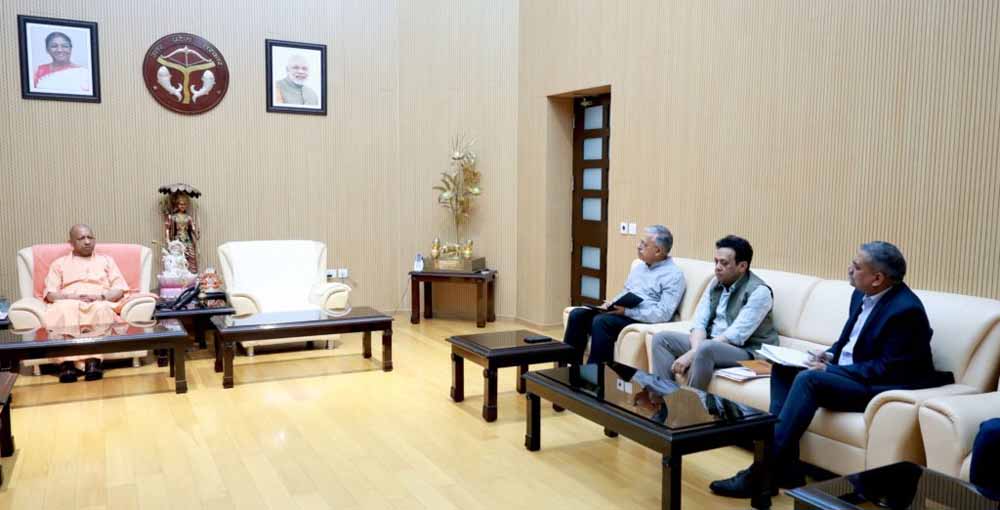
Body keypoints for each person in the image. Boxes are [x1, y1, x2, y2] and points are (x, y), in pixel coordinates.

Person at [710, 241, 952, 498]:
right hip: (851, 373)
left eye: (857, 266)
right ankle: (787, 470)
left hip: (879, 386)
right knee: (783, 368)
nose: (849, 269)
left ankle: (760, 473)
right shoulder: (861, 294)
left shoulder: (906, 311)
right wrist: (828, 354)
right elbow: (850, 342)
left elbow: (887, 368)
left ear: (878, 278)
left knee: (809, 380)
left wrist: (831, 371)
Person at [649, 235, 778, 390]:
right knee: (661, 339)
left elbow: (735, 335)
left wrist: (694, 353)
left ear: (742, 266)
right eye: (716, 261)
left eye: (724, 263)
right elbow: (699, 323)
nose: (717, 267)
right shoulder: (715, 283)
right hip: (711, 343)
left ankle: (690, 402)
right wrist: (695, 350)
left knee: (706, 348)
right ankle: (664, 397)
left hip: (748, 352)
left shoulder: (759, 292)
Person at [562, 225, 686, 365]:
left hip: (641, 319)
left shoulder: (673, 276)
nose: (638, 246)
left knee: (602, 321)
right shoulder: (639, 266)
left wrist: (627, 312)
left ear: (658, 251)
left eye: (644, 244)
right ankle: (568, 368)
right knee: (578, 314)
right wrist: (611, 304)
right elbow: (626, 291)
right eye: (640, 242)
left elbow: (663, 314)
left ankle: (597, 372)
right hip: (624, 312)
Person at [43, 224, 129, 383]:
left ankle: (93, 362)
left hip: (99, 300)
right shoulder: (59, 263)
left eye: (90, 237)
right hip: (69, 300)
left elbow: (119, 289)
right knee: (62, 309)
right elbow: (50, 294)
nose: (87, 241)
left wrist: (101, 297)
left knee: (101, 309)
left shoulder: (107, 261)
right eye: (81, 238)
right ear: (71, 243)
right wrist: (71, 297)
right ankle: (67, 364)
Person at [163, 194, 199, 273]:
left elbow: (193, 229)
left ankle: (192, 274)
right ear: (177, 205)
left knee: (191, 256)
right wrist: (168, 240)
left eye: (184, 204)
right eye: (180, 204)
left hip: (187, 239)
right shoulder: (173, 217)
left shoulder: (188, 217)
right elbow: (168, 229)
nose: (182, 206)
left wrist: (196, 232)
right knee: (178, 259)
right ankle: (179, 274)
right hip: (178, 240)